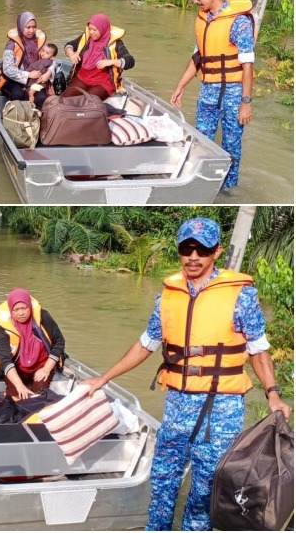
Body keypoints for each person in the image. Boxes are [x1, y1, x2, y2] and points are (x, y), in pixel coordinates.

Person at [80, 217, 291, 531]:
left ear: (216, 251)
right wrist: (103, 378)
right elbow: (145, 344)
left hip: (219, 410)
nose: (193, 256)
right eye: (186, 248)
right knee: (162, 483)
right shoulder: (167, 295)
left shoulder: (241, 297)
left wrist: (273, 394)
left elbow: (259, 350)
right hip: (177, 406)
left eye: (202, 249)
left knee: (204, 493)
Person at [170, 0, 255, 192]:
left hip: (234, 92)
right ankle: (201, 184)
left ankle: (227, 188)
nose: (195, 1)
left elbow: (248, 65)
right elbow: (198, 57)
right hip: (209, 89)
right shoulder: (204, 19)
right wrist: (180, 86)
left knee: (231, 144)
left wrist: (246, 102)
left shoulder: (239, 22)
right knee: (201, 138)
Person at [0, 288, 65, 399]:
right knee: (15, 395)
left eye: (24, 308)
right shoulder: (5, 329)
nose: (21, 313)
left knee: (38, 396)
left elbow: (59, 342)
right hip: (17, 368)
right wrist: (19, 385)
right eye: (16, 310)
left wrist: (46, 369)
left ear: (30, 307)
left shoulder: (43, 318)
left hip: (42, 365)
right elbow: (5, 359)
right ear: (11, 311)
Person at [62, 13, 135, 100]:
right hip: (82, 77)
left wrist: (111, 61)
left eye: (94, 30)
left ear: (103, 28)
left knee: (88, 101)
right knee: (65, 97)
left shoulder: (116, 43)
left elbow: (130, 61)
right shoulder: (86, 37)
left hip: (102, 82)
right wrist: (71, 53)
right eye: (89, 29)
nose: (91, 32)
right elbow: (69, 45)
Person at [0, 11, 47, 101]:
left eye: (34, 27)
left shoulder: (39, 41)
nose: (32, 30)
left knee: (42, 97)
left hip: (34, 78)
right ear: (21, 27)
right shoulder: (12, 44)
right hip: (12, 79)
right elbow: (8, 69)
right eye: (28, 27)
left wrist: (48, 74)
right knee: (18, 94)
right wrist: (28, 75)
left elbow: (49, 61)